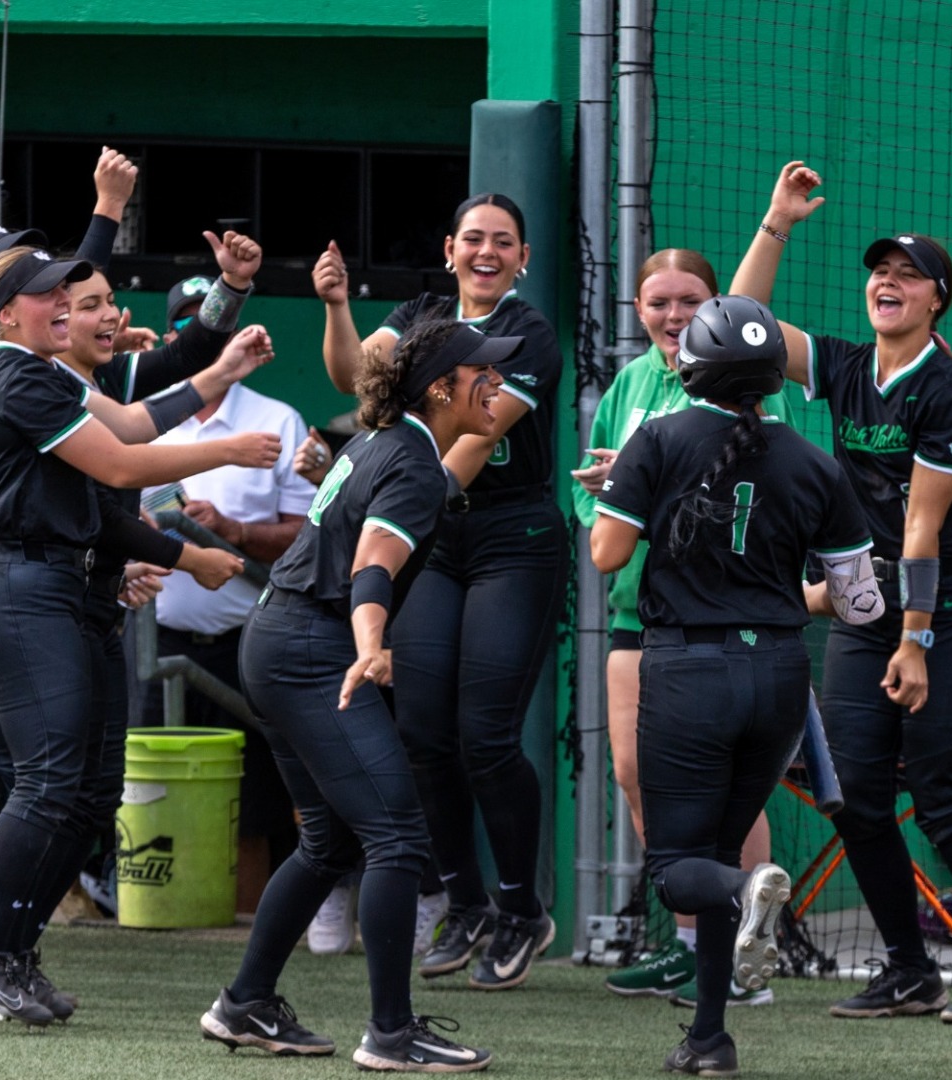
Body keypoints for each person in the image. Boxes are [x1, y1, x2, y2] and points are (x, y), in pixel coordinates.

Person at [733, 160, 952, 1023]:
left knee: (944, 797)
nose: (888, 281)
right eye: (881, 270)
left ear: (937, 300)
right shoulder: (842, 368)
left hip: (940, 608)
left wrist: (914, 642)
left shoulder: (951, 394)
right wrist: (779, 222)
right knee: (857, 795)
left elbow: (921, 529)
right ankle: (909, 971)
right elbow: (740, 324)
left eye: (909, 275)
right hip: (864, 609)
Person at [0, 245, 279, 1026]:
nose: (65, 303)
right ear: (3, 314)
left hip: (66, 589)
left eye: (72, 292)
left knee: (89, 793)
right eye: (49, 294)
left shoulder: (51, 372)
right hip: (21, 590)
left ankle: (11, 952)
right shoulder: (16, 372)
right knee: (46, 783)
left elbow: (129, 420)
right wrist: (226, 446)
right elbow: (124, 466)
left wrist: (219, 379)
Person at [199, 317, 511, 1072]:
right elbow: (374, 561)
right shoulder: (409, 460)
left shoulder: (383, 442)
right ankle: (392, 1034)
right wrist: (372, 646)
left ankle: (244, 1003)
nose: (497, 383)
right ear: (441, 388)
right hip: (313, 650)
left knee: (330, 841)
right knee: (398, 838)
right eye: (483, 373)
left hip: (277, 639)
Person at [591, 294, 884, 1075]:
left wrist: (628, 487)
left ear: (692, 367)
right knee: (719, 841)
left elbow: (605, 555)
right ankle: (710, 1038)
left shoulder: (656, 438)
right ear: (769, 377)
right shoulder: (815, 462)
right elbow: (859, 603)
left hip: (688, 670)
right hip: (781, 673)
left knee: (679, 866)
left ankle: (751, 884)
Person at [313, 193, 566, 989]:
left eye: (504, 242)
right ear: (450, 250)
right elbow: (360, 380)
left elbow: (479, 431)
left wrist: (405, 502)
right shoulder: (422, 313)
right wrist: (337, 306)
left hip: (510, 537)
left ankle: (523, 909)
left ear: (523, 258)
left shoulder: (530, 332)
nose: (487, 252)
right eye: (473, 240)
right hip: (437, 536)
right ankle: (467, 902)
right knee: (421, 731)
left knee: (486, 735)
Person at [570, 248, 782, 1006]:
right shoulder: (627, 384)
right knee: (635, 777)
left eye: (688, 300)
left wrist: (638, 480)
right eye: (656, 302)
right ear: (637, 308)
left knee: (731, 794)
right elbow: (594, 508)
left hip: (723, 622)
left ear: (714, 303)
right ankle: (694, 946)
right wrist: (606, 491)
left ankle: (745, 958)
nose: (672, 315)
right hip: (636, 617)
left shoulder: (750, 385)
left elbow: (755, 487)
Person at [138, 275, 317, 910]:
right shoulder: (143, 420)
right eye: (189, 325)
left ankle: (252, 923)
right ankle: (169, 928)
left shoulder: (277, 421)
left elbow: (309, 535)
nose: (203, 335)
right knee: (153, 802)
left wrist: (235, 530)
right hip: (151, 647)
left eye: (216, 323)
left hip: (247, 645)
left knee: (261, 806)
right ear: (171, 338)